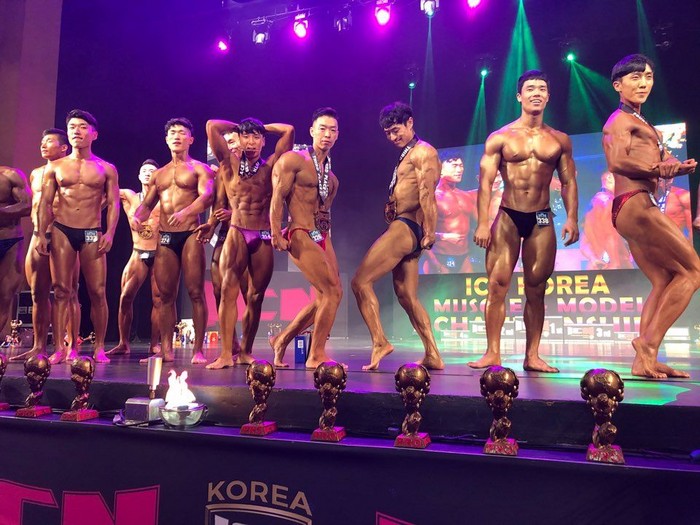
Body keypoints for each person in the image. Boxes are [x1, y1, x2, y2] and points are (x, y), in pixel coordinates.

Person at [471, 70, 579, 373]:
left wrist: (572, 217)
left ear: (548, 96)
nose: (536, 93)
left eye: (542, 89)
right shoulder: (501, 137)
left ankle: (532, 356)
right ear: (519, 96)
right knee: (497, 285)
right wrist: (482, 222)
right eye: (530, 88)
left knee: (537, 287)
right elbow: (485, 182)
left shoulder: (559, 139)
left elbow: (568, 182)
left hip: (541, 216)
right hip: (508, 214)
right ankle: (492, 353)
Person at [602, 54, 698, 378]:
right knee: (694, 272)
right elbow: (617, 162)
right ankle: (648, 343)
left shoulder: (645, 124)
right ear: (618, 85)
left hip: (636, 204)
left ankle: (644, 361)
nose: (643, 83)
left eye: (648, 77)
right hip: (635, 202)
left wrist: (677, 166)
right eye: (635, 78)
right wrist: (656, 168)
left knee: (663, 279)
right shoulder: (619, 121)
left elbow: (663, 160)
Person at [351, 102, 444, 371]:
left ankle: (380, 342)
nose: (393, 137)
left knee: (360, 282)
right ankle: (433, 354)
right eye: (388, 133)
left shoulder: (423, 152)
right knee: (406, 296)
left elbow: (426, 193)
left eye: (396, 130)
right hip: (407, 227)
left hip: (406, 226)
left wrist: (430, 231)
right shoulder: (409, 154)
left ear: (410, 123)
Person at [197, 118, 294, 369]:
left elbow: (289, 131)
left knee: (256, 296)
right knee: (227, 292)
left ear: (263, 141)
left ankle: (246, 352)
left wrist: (262, 127)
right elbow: (211, 126)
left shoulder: (271, 166)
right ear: (239, 139)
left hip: (262, 234)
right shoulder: (228, 163)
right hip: (237, 232)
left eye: (256, 137)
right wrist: (239, 127)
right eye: (246, 137)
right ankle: (225, 354)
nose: (250, 142)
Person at [37, 109, 120, 365]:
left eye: (82, 126)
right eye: (72, 126)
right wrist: (42, 234)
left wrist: (110, 233)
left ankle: (99, 347)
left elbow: (114, 203)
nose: (76, 130)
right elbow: (45, 203)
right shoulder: (56, 166)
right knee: (62, 291)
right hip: (62, 229)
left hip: (92, 231)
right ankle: (61, 348)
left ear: (94, 134)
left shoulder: (106, 168)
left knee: (98, 291)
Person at [132, 118, 214, 363]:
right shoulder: (159, 174)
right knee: (165, 296)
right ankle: (166, 350)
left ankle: (198, 350)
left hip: (190, 233)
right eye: (172, 133)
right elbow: (147, 204)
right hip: (166, 237)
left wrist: (186, 212)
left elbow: (207, 196)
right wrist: (137, 217)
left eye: (182, 132)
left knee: (195, 291)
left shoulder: (200, 169)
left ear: (191, 139)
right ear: (166, 139)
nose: (177, 136)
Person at [270, 108, 342, 369]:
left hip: (320, 234)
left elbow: (324, 213)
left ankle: (282, 339)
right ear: (312, 131)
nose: (327, 134)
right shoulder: (294, 160)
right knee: (331, 292)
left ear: (337, 135)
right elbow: (278, 197)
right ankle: (316, 354)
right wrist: (276, 232)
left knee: (330, 294)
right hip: (299, 232)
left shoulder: (331, 179)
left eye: (332, 130)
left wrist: (325, 239)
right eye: (322, 129)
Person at [11, 129, 82, 361]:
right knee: (37, 293)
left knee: (68, 292)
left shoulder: (72, 170)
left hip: (63, 235)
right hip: (38, 235)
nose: (43, 145)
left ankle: (71, 346)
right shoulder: (36, 173)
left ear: (63, 147)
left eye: (49, 141)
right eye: (42, 141)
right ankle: (39, 346)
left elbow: (91, 202)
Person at [106, 159, 163, 356]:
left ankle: (155, 344)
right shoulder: (129, 196)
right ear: (138, 175)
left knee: (159, 300)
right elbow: (101, 191)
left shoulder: (165, 198)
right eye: (144, 170)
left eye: (152, 170)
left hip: (160, 254)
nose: (147, 173)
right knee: (125, 297)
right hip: (138, 252)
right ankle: (123, 342)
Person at [422, 156, 477, 274]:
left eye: (461, 166)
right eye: (454, 166)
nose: (459, 170)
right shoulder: (433, 197)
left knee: (467, 285)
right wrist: (433, 261)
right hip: (439, 257)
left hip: (464, 257)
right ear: (440, 170)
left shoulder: (467, 196)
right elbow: (421, 231)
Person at [210, 131, 243, 310]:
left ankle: (248, 329)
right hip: (226, 231)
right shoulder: (222, 170)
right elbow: (218, 203)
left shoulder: (257, 169)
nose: (230, 147)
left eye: (232, 141)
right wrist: (210, 225)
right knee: (218, 287)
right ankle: (226, 328)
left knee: (249, 291)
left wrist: (234, 214)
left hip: (249, 233)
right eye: (227, 143)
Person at [0, 165, 31, 343]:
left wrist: (2, 212)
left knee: (5, 296)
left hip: (10, 239)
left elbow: (27, 205)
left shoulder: (10, 175)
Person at [580, 171, 633, 270]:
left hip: (597, 268)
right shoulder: (609, 203)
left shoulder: (593, 204)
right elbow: (610, 236)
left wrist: (593, 258)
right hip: (616, 269)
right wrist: (615, 263)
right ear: (609, 178)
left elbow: (584, 243)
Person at [657, 176, 693, 242]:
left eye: (659, 181)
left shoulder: (683, 196)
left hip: (674, 244)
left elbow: (691, 230)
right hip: (651, 244)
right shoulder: (645, 197)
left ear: (669, 181)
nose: (656, 183)